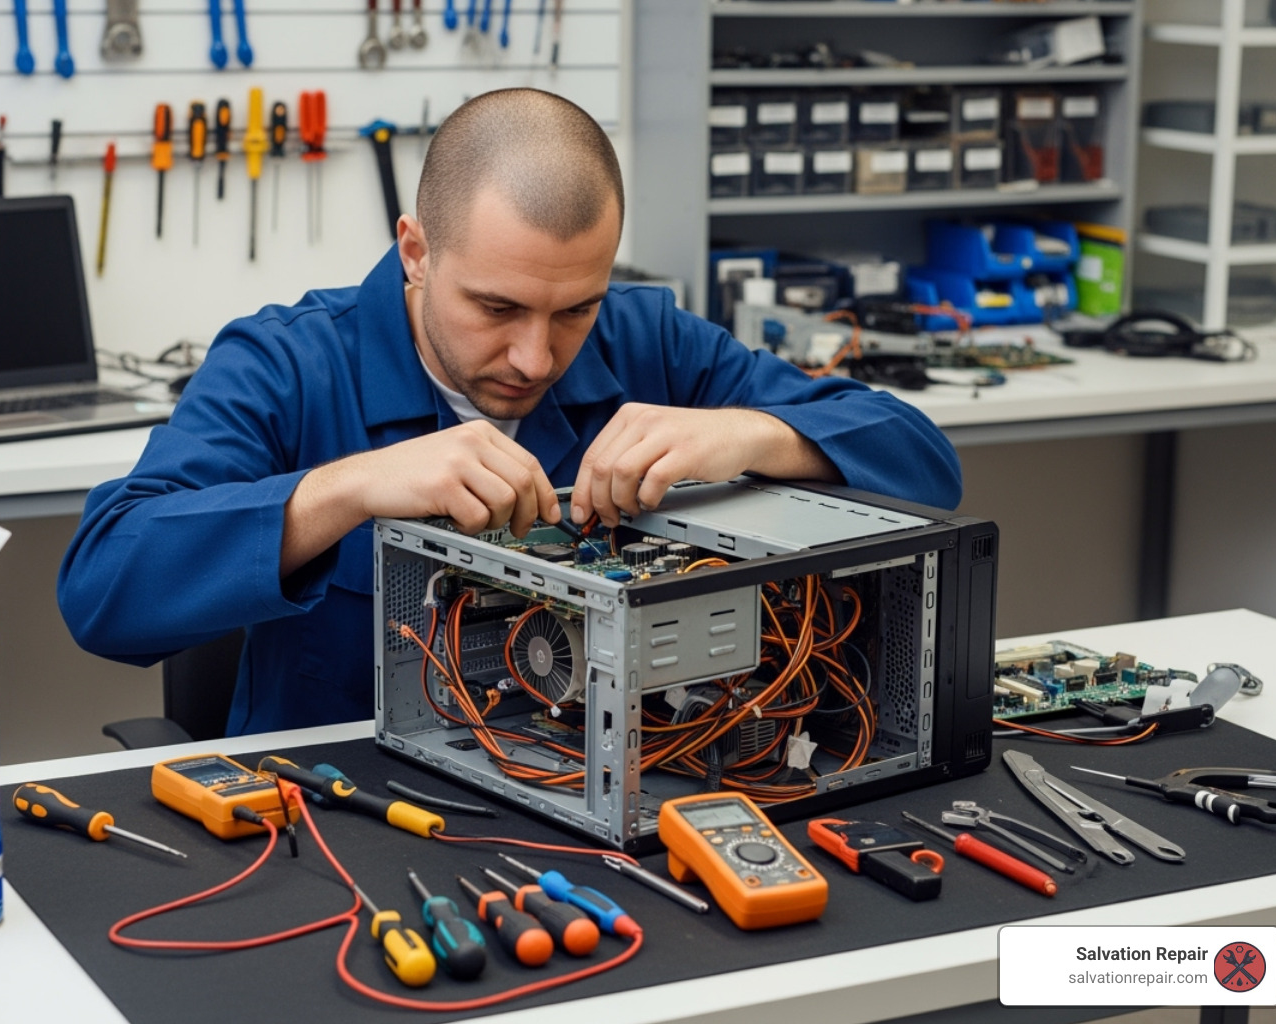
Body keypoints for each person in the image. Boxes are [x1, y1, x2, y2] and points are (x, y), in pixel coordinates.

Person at [58, 88, 961, 735]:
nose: (536, 358)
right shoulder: (288, 364)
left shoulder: (653, 345)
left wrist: (755, 433)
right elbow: (102, 591)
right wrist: (345, 490)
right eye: (495, 309)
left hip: (616, 794)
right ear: (415, 251)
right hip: (354, 822)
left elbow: (925, 464)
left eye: (575, 310)